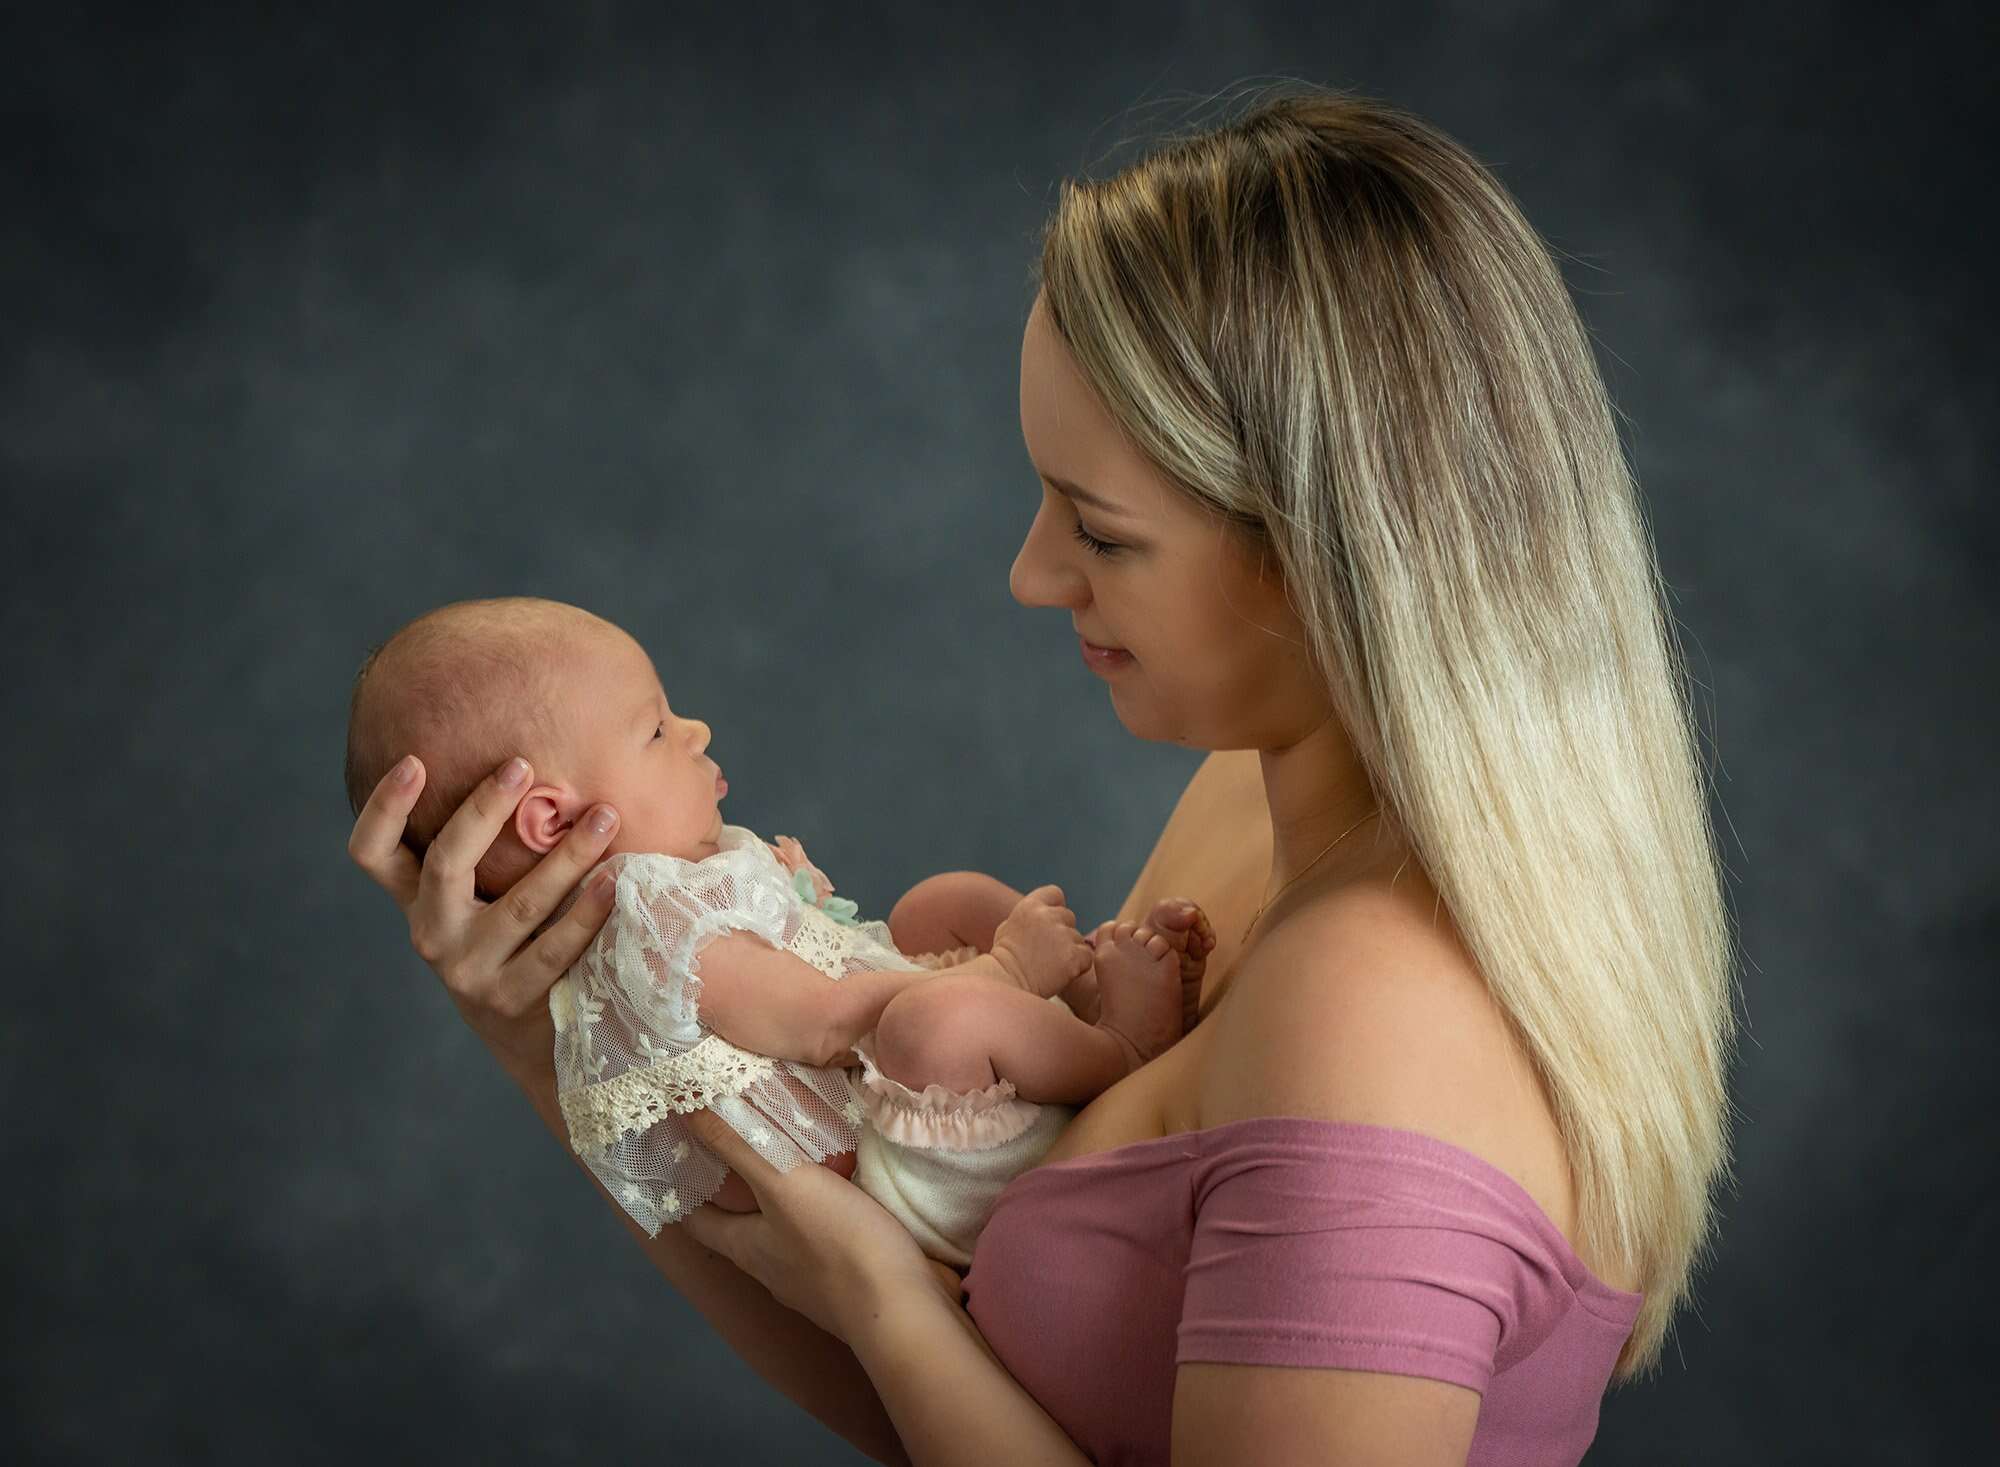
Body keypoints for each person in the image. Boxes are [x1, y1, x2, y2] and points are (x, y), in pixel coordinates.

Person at [347, 85, 1734, 1466]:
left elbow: (909, 1331)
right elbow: (996, 1394)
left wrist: (890, 1308)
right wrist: (555, 1012)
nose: (1028, 572)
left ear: (1333, 554)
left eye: (1102, 531)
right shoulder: (1254, 807)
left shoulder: (1374, 1013)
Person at [342, 597, 1209, 1264]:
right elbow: (832, 1023)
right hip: (906, 1175)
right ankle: (1122, 1047)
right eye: (654, 728)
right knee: (930, 1021)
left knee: (932, 905)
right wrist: (1010, 967)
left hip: (898, 1089)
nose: (695, 730)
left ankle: (1087, 987)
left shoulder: (680, 873)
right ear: (551, 820)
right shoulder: (648, 925)